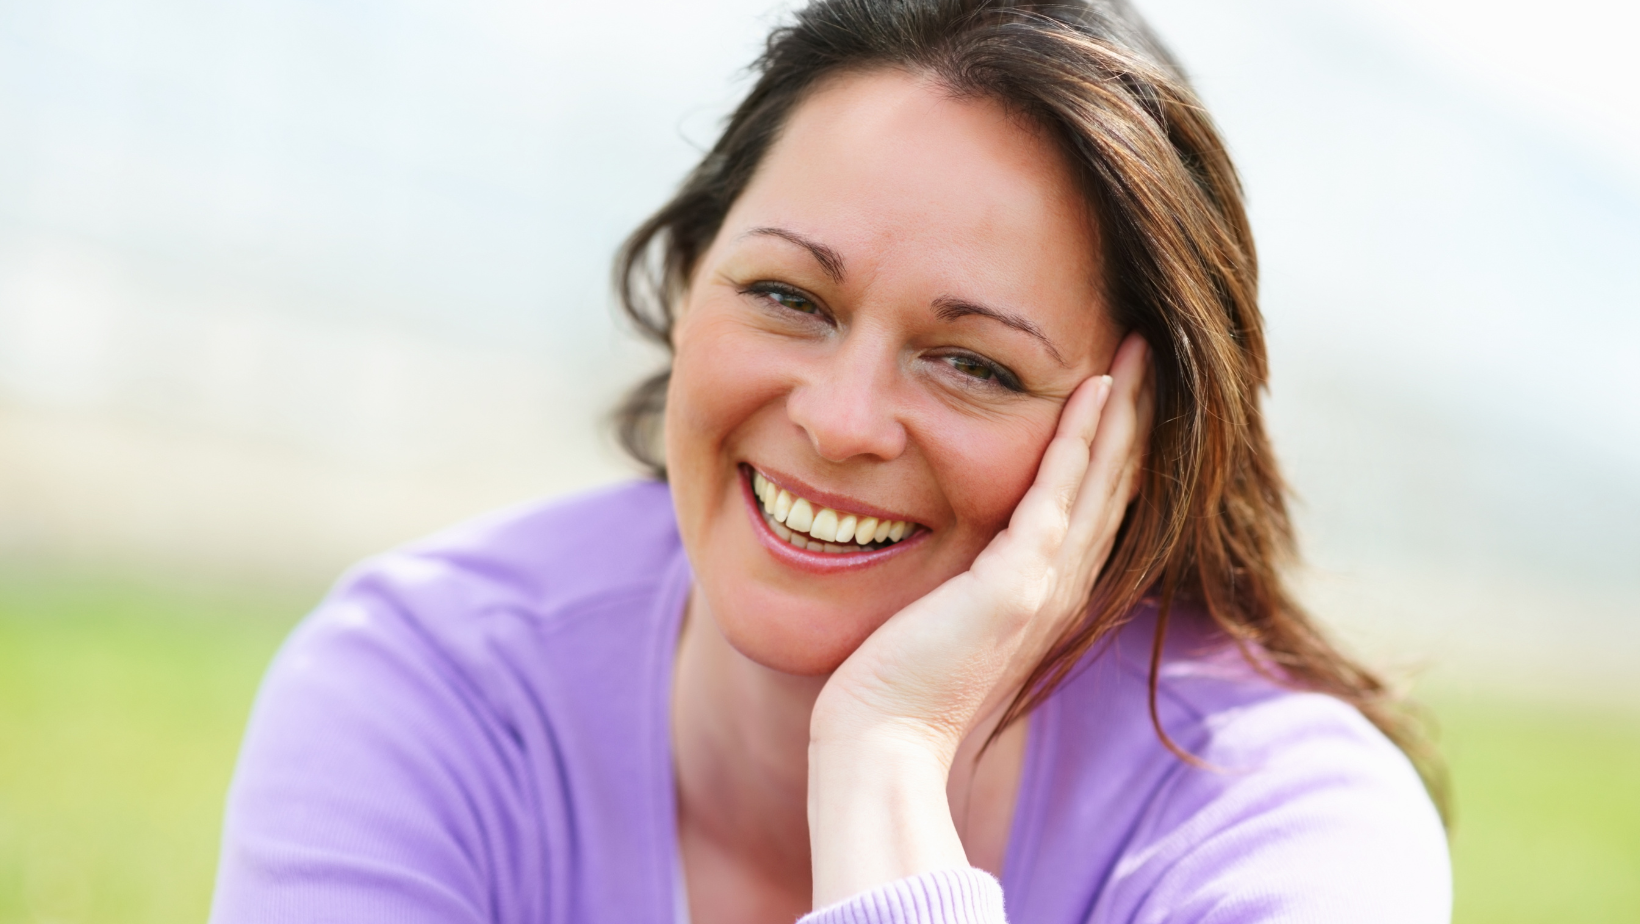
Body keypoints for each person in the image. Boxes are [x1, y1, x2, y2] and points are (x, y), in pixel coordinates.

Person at [209, 1, 1450, 922]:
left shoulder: (1274, 830)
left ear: (1130, 442)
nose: (842, 419)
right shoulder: (430, 690)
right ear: (688, 283)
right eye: (787, 297)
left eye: (972, 364)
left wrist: (887, 761)